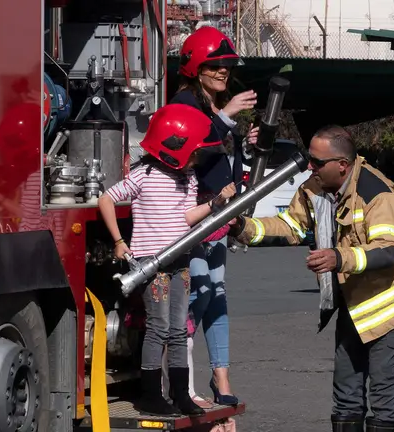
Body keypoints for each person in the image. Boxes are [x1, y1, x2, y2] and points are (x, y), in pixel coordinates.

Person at [227, 125, 394, 432]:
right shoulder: (314, 188)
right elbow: (289, 225)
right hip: (353, 309)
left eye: (317, 162)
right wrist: (243, 227)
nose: (310, 167)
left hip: (389, 314)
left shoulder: (376, 193)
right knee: (345, 401)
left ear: (342, 165)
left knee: (384, 407)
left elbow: (387, 252)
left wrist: (338, 257)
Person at [98, 103, 237, 416]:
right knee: (158, 327)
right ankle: (150, 394)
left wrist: (216, 203)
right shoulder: (143, 176)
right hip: (153, 263)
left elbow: (187, 216)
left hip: (179, 260)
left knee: (178, 329)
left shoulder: (187, 178)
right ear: (174, 147)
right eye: (194, 152)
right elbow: (106, 198)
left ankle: (179, 394)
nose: (196, 160)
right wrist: (119, 241)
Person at [170, 25, 259, 406]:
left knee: (216, 295)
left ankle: (221, 378)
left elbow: (222, 161)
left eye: (226, 65)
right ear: (195, 67)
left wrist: (245, 145)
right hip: (195, 214)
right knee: (197, 297)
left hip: (219, 214)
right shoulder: (183, 105)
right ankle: (182, 385)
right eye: (215, 65)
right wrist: (226, 116)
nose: (224, 71)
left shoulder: (209, 107)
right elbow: (193, 147)